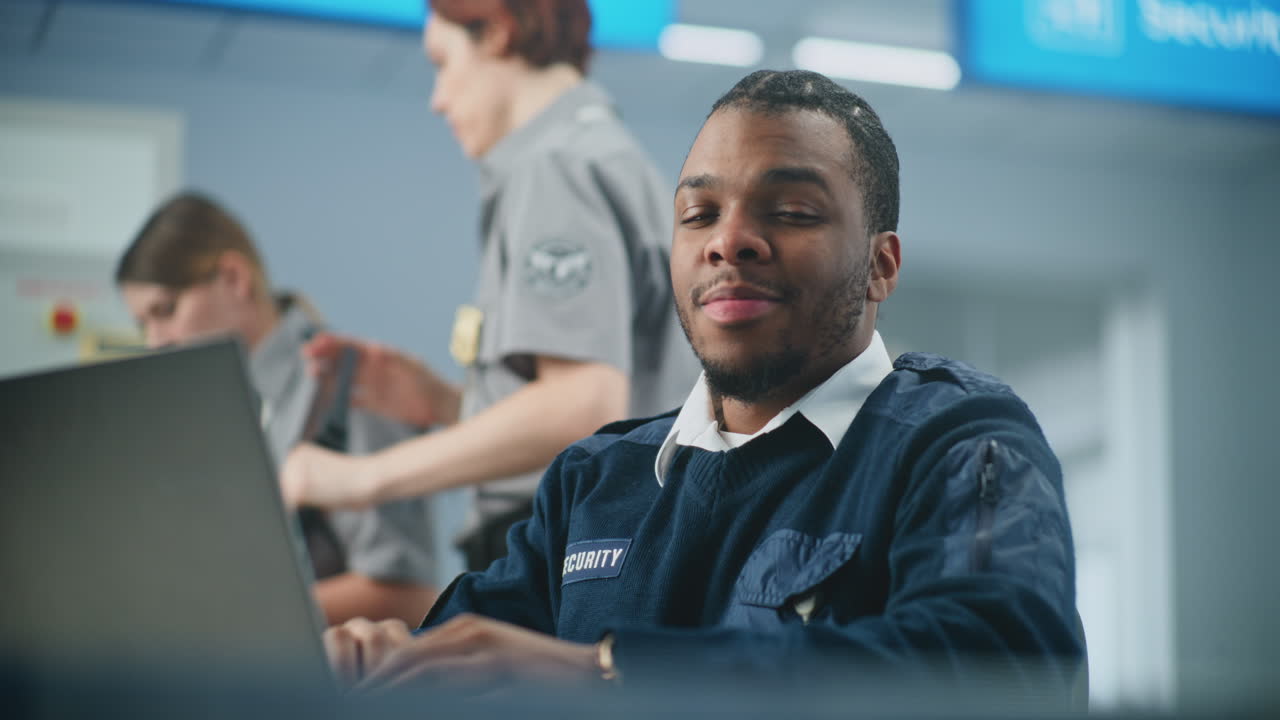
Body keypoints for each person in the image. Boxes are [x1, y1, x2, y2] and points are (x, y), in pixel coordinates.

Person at [320, 69, 1086, 702]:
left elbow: (1003, 669)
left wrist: (607, 670)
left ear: (882, 265)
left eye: (789, 211)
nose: (729, 241)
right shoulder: (596, 479)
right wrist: (379, 657)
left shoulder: (957, 443)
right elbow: (458, 658)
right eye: (699, 213)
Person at [280, 0, 698, 571]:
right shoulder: (604, 152)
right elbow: (604, 408)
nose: (438, 98)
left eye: (443, 62)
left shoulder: (553, 166)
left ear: (498, 35)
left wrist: (360, 478)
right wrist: (449, 404)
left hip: (569, 537)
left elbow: (583, 404)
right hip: (625, 528)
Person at [116, 191, 439, 626]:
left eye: (166, 311)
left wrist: (233, 616)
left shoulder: (345, 385)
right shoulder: (223, 412)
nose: (157, 341)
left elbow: (409, 595)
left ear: (234, 277)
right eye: (144, 326)